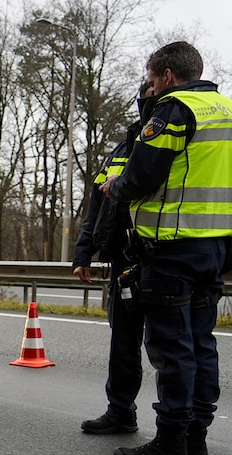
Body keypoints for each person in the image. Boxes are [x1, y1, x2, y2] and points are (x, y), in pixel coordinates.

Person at [99, 41, 232, 455]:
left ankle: (170, 445)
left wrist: (114, 187)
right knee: (202, 345)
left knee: (173, 350)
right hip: (217, 250)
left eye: (151, 80)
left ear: (166, 76)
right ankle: (196, 442)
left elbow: (141, 174)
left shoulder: (174, 110)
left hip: (171, 250)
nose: (150, 88)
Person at [71, 84, 156, 435]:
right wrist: (83, 252)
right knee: (123, 343)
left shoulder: (174, 144)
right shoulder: (121, 150)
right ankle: (121, 411)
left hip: (160, 257)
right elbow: (97, 207)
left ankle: (181, 429)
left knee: (167, 347)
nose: (151, 97)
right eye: (147, 91)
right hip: (122, 262)